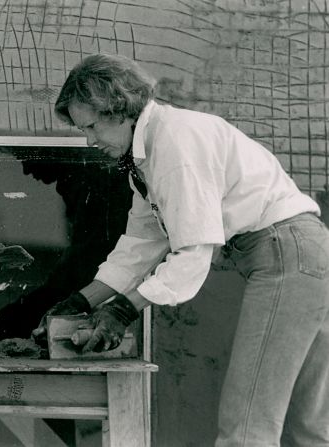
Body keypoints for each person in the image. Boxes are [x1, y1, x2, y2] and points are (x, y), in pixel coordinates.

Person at [36, 53, 329, 446]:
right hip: (307, 255)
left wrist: (123, 310)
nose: (90, 140)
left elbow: (191, 256)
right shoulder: (147, 155)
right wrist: (80, 302)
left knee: (245, 430)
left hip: (285, 255)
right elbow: (139, 246)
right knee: (308, 427)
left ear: (118, 108)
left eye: (91, 126)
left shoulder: (175, 144)